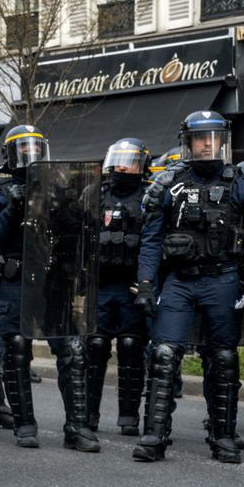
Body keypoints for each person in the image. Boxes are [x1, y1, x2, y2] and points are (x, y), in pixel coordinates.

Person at [133, 111, 244, 463]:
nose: (207, 144)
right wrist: (146, 284)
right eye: (200, 138)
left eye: (213, 138)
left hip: (224, 278)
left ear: (224, 141)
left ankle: (223, 436)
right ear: (188, 142)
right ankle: (154, 435)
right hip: (180, 282)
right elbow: (151, 240)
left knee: (223, 357)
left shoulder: (241, 181)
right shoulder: (169, 183)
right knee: (163, 353)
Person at [0, 124, 100, 452]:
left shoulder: (58, 188)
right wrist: (12, 207)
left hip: (53, 281)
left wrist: (66, 204)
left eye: (35, 149)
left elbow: (77, 232)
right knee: (16, 351)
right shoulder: (1, 191)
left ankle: (77, 427)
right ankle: (24, 423)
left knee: (72, 350)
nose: (30, 156)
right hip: (16, 282)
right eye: (23, 150)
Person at [86, 139, 150, 436]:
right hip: (101, 286)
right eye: (118, 159)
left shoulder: (149, 196)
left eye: (130, 160)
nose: (122, 166)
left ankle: (129, 417)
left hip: (131, 288)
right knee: (95, 347)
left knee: (131, 347)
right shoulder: (95, 194)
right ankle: (88, 414)